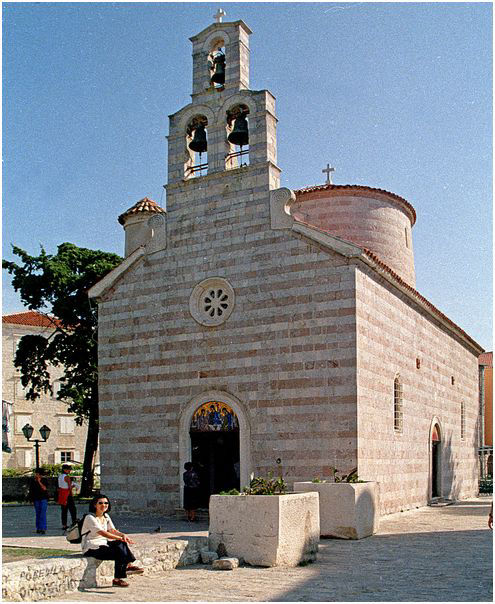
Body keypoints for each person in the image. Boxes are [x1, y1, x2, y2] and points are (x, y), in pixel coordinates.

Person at [81, 494, 143, 588]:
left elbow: (112, 530)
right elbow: (102, 533)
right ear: (95, 505)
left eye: (106, 503)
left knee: (121, 544)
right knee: (119, 550)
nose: (104, 505)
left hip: (103, 543)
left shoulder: (106, 516)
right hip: (91, 547)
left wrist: (123, 536)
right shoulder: (90, 518)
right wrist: (119, 538)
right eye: (100, 503)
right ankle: (118, 577)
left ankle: (128, 565)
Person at [57, 464, 77, 530]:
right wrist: (74, 486)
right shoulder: (67, 477)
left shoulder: (60, 476)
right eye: (68, 469)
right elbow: (69, 487)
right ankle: (74, 522)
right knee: (73, 510)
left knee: (64, 510)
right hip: (67, 494)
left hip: (62, 493)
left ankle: (64, 525)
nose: (69, 471)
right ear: (65, 470)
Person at [29, 468, 48, 534]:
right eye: (36, 474)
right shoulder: (33, 481)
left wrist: (39, 482)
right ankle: (38, 528)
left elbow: (45, 488)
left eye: (37, 474)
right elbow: (31, 490)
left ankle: (43, 528)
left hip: (43, 499)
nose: (36, 475)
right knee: (38, 514)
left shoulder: (44, 480)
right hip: (36, 499)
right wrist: (31, 499)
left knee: (43, 513)